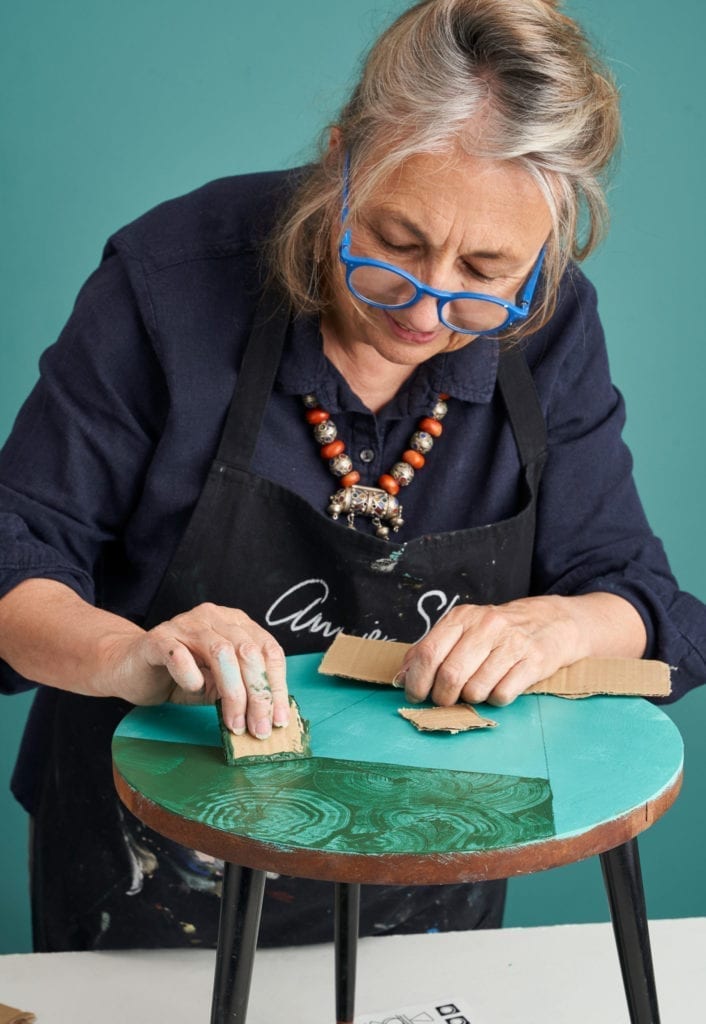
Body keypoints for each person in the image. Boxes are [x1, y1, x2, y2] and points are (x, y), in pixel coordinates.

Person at [0, 0, 704, 952]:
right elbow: (16, 557)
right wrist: (128, 653)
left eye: (487, 270)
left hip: (427, 870)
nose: (426, 310)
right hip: (147, 870)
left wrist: (563, 622)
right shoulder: (170, 281)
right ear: (340, 164)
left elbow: (647, 603)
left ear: (551, 237)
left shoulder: (549, 326)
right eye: (397, 245)